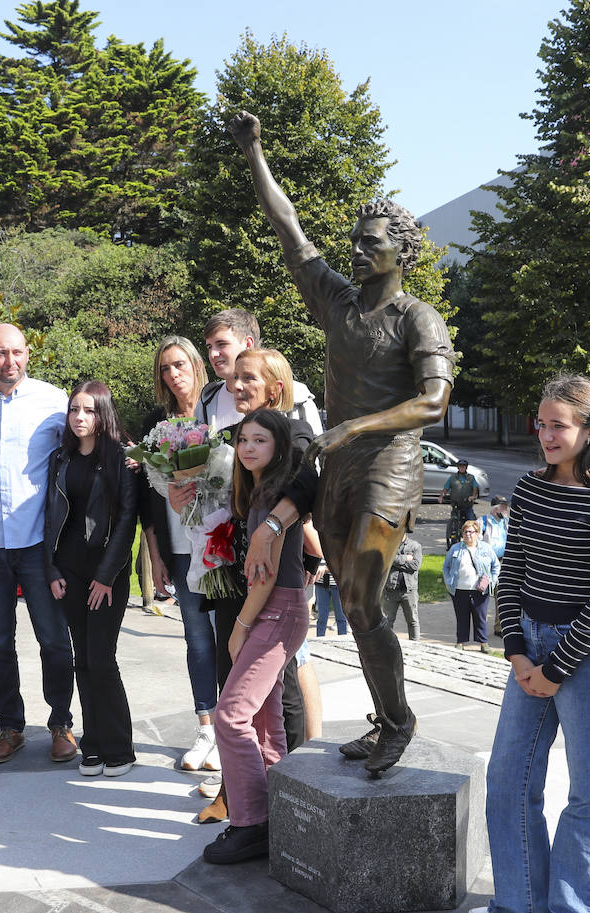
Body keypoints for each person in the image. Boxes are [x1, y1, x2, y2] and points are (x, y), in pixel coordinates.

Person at [231, 110, 455, 776]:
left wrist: (353, 425)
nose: (358, 250)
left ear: (402, 251)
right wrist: (254, 153)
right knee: (358, 611)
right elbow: (288, 227)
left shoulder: (419, 317)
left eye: (372, 242)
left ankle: (401, 721)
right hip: (339, 474)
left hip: (390, 471)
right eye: (355, 240)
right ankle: (387, 719)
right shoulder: (338, 303)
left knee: (358, 599)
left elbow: (434, 400)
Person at [478, 374, 590, 913]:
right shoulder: (529, 487)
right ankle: (518, 906)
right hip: (529, 650)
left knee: (587, 797)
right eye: (541, 424)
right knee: (507, 782)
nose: (546, 434)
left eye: (558, 425)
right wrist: (518, 652)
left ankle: (576, 909)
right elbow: (513, 568)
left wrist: (554, 670)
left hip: (586, 658)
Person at [184, 346, 324, 823]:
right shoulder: (235, 445)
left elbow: (306, 493)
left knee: (257, 705)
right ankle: (261, 804)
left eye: (248, 378)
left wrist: (277, 530)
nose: (235, 385)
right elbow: (213, 497)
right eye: (233, 378)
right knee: (255, 712)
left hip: (270, 600)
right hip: (242, 589)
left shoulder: (295, 442)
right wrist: (185, 487)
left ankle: (271, 809)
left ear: (275, 389)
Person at [0, 324, 78, 766]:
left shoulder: (53, 401)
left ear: (28, 353)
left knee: (54, 640)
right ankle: (11, 727)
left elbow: (80, 458)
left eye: (18, 353)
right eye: (2, 354)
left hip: (40, 543)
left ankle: (62, 723)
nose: (11, 362)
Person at [202, 409, 311, 865]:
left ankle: (250, 823)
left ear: (280, 446)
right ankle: (276, 815)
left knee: (230, 716)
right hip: (277, 609)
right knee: (264, 720)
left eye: (260, 440)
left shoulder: (273, 499)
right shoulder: (262, 493)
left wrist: (240, 628)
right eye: (243, 439)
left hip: (276, 611)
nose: (248, 448)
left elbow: (265, 580)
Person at [44, 380, 140, 778]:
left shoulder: (122, 457)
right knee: (82, 660)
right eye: (74, 410)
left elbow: (127, 520)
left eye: (89, 410)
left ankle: (121, 747)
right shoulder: (60, 458)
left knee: (102, 659)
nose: (80, 417)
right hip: (68, 573)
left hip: (107, 573)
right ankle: (94, 745)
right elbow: (50, 518)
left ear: (103, 414)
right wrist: (50, 569)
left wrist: (106, 576)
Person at [138, 336, 221, 774]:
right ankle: (205, 727)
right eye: (165, 368)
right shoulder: (156, 423)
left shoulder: (218, 408)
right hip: (180, 547)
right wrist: (156, 555)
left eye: (179, 364)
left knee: (228, 636)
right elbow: (147, 500)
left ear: (195, 364)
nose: (173, 374)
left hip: (223, 546)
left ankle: (231, 728)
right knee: (196, 639)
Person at [198, 308, 323, 433]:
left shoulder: (297, 398)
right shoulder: (207, 400)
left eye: (222, 344)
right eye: (209, 347)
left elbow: (316, 450)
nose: (213, 354)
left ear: (248, 343)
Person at [443, 520, 499, 652]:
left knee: (480, 617)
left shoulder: (485, 548)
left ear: (477, 533)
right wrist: (448, 581)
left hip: (480, 590)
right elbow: (446, 566)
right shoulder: (455, 548)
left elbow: (496, 566)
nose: (468, 534)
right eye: (465, 532)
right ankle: (460, 642)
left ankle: (483, 643)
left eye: (471, 532)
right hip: (459, 589)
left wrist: (491, 581)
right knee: (462, 617)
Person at [381, 533, 422, 641]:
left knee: (413, 620)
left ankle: (415, 645)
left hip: (409, 591)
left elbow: (415, 566)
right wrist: (405, 558)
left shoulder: (415, 546)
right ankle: (387, 645)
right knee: (387, 621)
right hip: (390, 590)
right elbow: (386, 560)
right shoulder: (388, 546)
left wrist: (394, 561)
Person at [314, 558, 345, 636]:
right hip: (320, 584)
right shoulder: (318, 547)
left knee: (340, 616)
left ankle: (342, 637)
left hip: (337, 585)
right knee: (322, 616)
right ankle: (320, 638)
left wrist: (325, 568)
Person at [479, 495, 509, 560]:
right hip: (487, 560)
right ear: (495, 509)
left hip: (503, 560)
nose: (506, 510)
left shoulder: (506, 521)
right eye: (503, 508)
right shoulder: (482, 521)